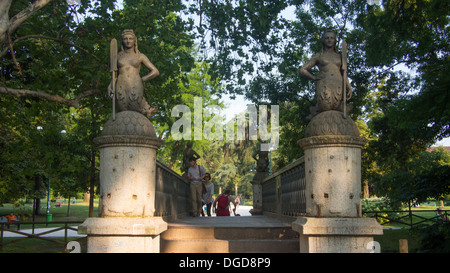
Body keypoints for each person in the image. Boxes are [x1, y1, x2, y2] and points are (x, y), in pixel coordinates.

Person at [299, 28, 352, 117]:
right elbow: (302, 70)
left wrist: (349, 87)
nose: (329, 40)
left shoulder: (340, 56)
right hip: (324, 85)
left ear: (335, 40)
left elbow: (344, 73)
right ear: (323, 40)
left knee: (338, 110)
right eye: (327, 38)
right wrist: (314, 78)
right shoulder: (319, 56)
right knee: (326, 108)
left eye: (331, 38)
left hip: (338, 86)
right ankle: (316, 110)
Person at [109, 29, 159, 119]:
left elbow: (155, 71)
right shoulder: (118, 56)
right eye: (125, 39)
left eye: (130, 39)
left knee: (134, 111)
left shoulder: (140, 56)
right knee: (122, 112)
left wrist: (143, 79)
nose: (128, 41)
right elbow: (114, 74)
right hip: (120, 85)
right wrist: (111, 85)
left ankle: (147, 110)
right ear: (122, 41)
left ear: (134, 40)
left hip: (135, 84)